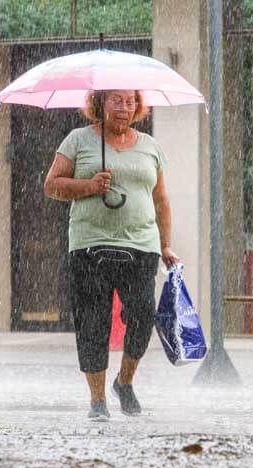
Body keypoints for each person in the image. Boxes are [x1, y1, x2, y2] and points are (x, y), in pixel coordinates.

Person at [44, 89, 180, 421]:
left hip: (141, 247)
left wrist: (164, 246)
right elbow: (52, 185)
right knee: (93, 322)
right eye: (115, 100)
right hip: (91, 246)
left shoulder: (150, 146)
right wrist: (89, 186)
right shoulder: (78, 140)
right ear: (100, 103)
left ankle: (125, 381)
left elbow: (161, 199)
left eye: (130, 101)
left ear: (138, 107)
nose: (123, 107)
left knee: (143, 315)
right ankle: (97, 399)